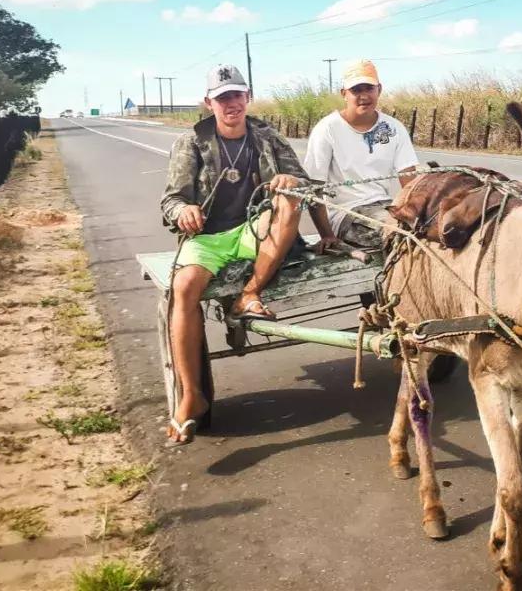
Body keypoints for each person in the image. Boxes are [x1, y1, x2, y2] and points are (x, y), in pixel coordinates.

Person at [160, 64, 309, 444]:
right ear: (209, 103)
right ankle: (191, 395)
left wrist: (291, 181)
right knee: (185, 287)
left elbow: (306, 182)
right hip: (208, 235)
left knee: (289, 203)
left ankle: (249, 294)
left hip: (253, 229)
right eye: (223, 97)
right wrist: (184, 211)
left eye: (237, 95)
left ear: (248, 98)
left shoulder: (268, 136)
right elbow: (171, 200)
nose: (231, 104)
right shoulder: (190, 142)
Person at [303, 59, 419, 251]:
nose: (364, 96)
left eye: (369, 88)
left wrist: (418, 213)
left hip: (385, 207)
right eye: (356, 90)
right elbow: (313, 189)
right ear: (344, 94)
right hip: (345, 214)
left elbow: (410, 181)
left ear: (379, 90)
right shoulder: (328, 129)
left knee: (430, 230)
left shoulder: (394, 128)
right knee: (399, 235)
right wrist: (326, 235)